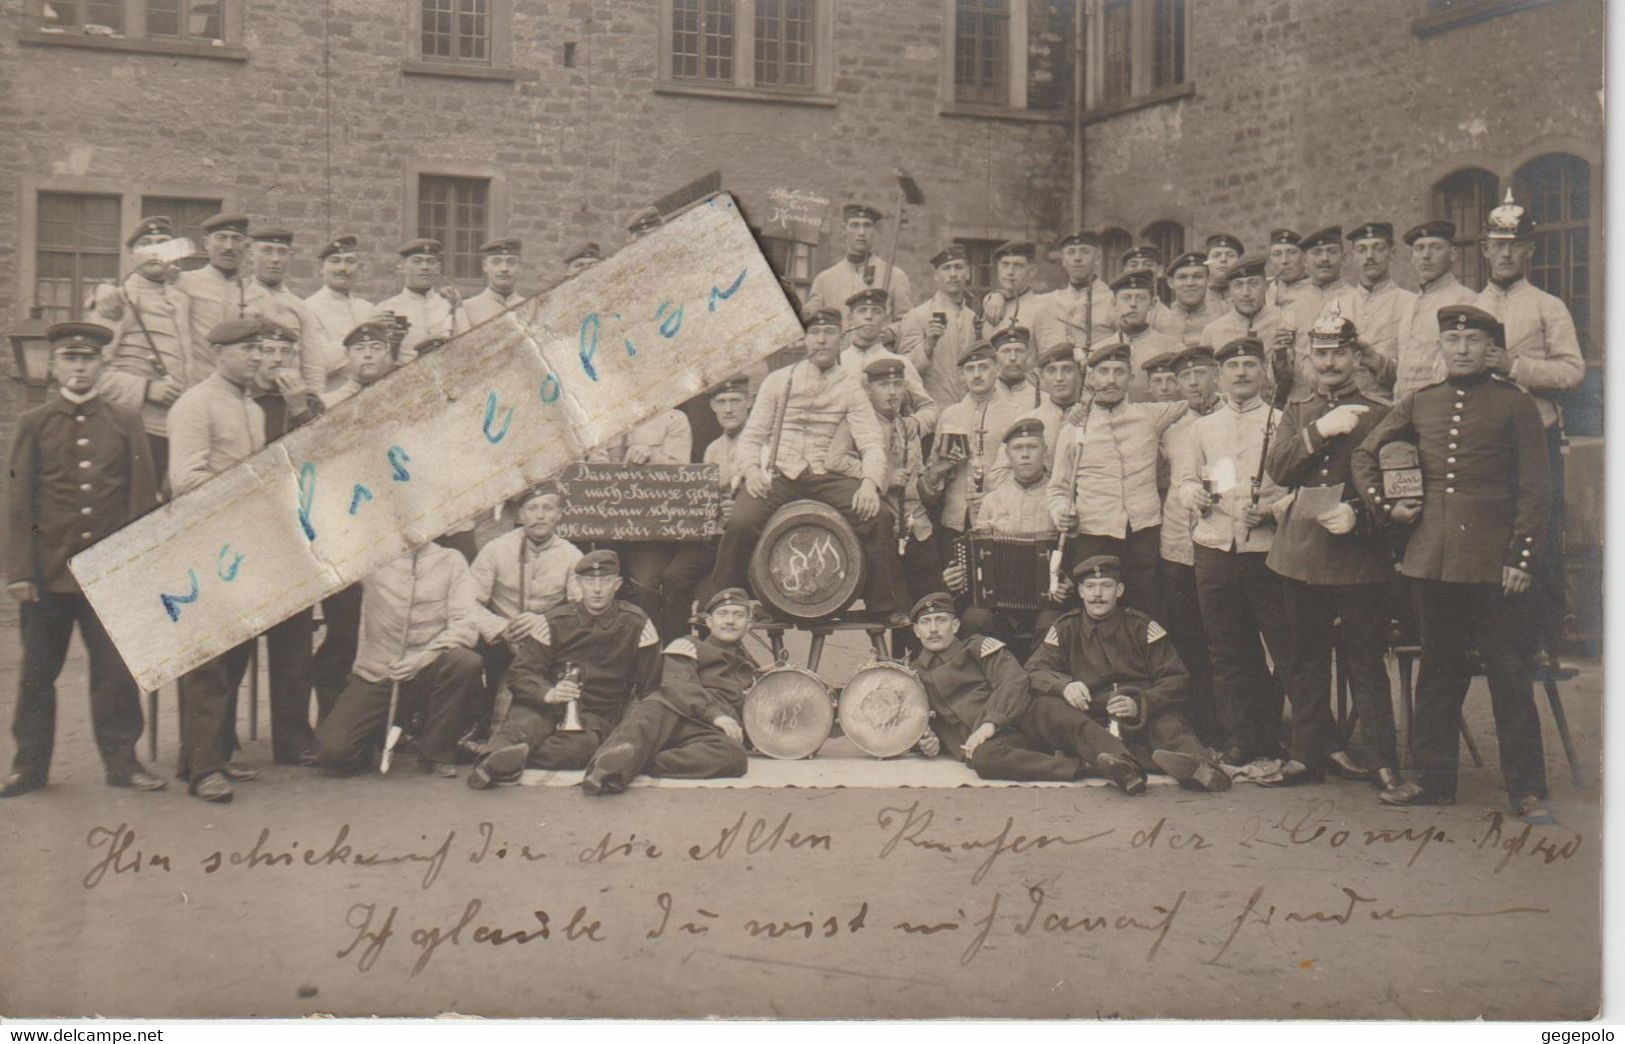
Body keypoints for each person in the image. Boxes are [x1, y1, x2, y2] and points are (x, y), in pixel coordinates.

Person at [1353, 305, 1553, 823]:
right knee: (1438, 675)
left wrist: (1521, 557)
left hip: (1495, 566)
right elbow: (1365, 455)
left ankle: (1527, 791)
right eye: (1453, 339)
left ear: (1490, 348)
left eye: (1473, 340)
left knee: (1509, 674)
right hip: (1432, 561)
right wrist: (1386, 506)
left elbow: (1536, 489)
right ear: (1440, 346)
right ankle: (1433, 781)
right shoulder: (1421, 402)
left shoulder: (1516, 405)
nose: (1461, 348)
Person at [3, 322, 163, 798]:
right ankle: (28, 766)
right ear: (54, 368)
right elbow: (19, 501)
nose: (78, 369)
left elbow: (140, 499)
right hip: (48, 574)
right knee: (37, 674)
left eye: (87, 360)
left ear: (102, 366)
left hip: (109, 574)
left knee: (115, 674)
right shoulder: (34, 423)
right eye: (69, 360)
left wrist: (136, 568)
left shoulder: (125, 420)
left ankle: (123, 763)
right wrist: (22, 572)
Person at [1264, 307, 1404, 792]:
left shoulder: (1382, 415)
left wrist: (1361, 517)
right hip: (1300, 555)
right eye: (1320, 354)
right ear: (1308, 358)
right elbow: (1279, 470)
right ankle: (1307, 756)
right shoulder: (1298, 413)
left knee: (1365, 661)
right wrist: (1321, 431)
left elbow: (1402, 493)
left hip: (1359, 558)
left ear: (1354, 357)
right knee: (1305, 661)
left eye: (1338, 353)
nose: (1329, 363)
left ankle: (1384, 759)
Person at [705, 310, 906, 622]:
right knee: (742, 522)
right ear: (804, 339)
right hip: (780, 474)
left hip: (827, 475)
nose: (822, 340)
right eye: (815, 333)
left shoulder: (851, 387)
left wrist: (869, 484)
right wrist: (752, 471)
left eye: (829, 333)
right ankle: (722, 602)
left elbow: (871, 443)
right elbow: (752, 437)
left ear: (842, 338)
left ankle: (883, 607)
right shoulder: (778, 381)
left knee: (878, 516)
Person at [1473, 190, 1586, 670]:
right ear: (1484, 250)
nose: (1504, 253)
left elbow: (1572, 372)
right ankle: (1489, 635)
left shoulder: (1547, 306)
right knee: (1486, 530)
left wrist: (1514, 365)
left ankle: (1541, 640)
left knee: (1536, 531)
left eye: (1513, 245)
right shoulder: (1471, 305)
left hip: (1534, 434)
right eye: (1496, 245)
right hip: (1484, 437)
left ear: (1529, 251)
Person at [167, 317, 275, 801]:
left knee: (236, 655)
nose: (258, 357)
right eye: (248, 349)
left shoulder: (249, 406)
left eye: (261, 349)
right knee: (208, 660)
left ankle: (205, 756)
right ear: (218, 352)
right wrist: (251, 486)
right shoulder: (196, 403)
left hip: (243, 544)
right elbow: (185, 481)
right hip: (205, 545)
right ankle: (204, 770)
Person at [1176, 335, 1293, 767]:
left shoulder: (1281, 423)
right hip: (1215, 547)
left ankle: (1276, 730)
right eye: (1233, 366)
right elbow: (1187, 481)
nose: (1241, 373)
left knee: (1280, 643)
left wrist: (1273, 511)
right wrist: (1195, 499)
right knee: (1228, 647)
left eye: (1249, 364)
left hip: (1266, 549)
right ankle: (1240, 736)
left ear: (1263, 372)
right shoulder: (1204, 428)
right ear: (1220, 377)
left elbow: (1296, 489)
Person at [1023, 557, 1231, 791]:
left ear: (1119, 590)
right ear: (1080, 591)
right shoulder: (1065, 629)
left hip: (1142, 711)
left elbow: (1176, 678)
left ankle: (1202, 769)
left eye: (1106, 586)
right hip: (1094, 714)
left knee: (1168, 725)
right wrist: (1064, 686)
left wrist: (1141, 703)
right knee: (1053, 710)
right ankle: (1125, 765)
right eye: (1090, 587)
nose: (1097, 595)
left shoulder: (1141, 626)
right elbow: (1034, 670)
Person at [908, 592, 1145, 791]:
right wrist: (926, 741)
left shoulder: (978, 646)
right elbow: (914, 719)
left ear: (956, 625)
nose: (934, 629)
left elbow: (1014, 680)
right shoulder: (913, 675)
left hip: (1021, 715)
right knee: (984, 761)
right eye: (926, 623)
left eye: (941, 620)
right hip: (996, 741)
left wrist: (991, 722)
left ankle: (1128, 766)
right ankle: (1086, 767)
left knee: (1057, 713)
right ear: (916, 631)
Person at [469, 550, 662, 786]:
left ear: (618, 584)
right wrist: (548, 693)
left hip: (595, 712)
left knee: (576, 750)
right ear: (579, 583)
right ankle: (491, 764)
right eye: (590, 581)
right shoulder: (553, 621)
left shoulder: (637, 623)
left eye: (605, 581)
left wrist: (628, 728)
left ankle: (507, 758)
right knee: (522, 727)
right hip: (543, 705)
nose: (598, 589)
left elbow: (651, 685)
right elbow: (521, 673)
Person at [312, 540, 484, 778]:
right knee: (332, 752)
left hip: (428, 669)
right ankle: (376, 735)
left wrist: (423, 658)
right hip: (379, 673)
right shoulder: (371, 557)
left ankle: (436, 752)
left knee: (465, 661)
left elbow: (465, 624)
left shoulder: (451, 559)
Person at [1046, 341, 1186, 619]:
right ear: (1091, 378)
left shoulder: (1150, 416)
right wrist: (1060, 512)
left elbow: (1197, 402)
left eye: (1119, 372)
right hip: (1092, 533)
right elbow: (1057, 489)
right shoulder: (1074, 428)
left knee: (1147, 607)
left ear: (1131, 378)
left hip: (1142, 531)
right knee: (1095, 610)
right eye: (1104, 371)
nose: (1111, 380)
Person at [580, 588, 760, 793]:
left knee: (734, 756)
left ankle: (645, 761)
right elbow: (679, 685)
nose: (730, 621)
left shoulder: (750, 667)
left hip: (704, 730)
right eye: (722, 614)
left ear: (749, 623)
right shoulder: (687, 644)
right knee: (646, 718)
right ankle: (603, 774)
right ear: (708, 622)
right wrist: (716, 715)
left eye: (738, 615)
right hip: (672, 711)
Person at [311, 319, 402, 719]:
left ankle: (391, 719)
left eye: (377, 348)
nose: (368, 355)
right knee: (344, 628)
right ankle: (334, 715)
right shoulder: (328, 406)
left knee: (393, 624)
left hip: (393, 531)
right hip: (345, 532)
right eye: (360, 349)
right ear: (346, 358)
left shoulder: (404, 399)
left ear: (389, 355)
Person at [248, 323, 325, 764]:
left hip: (293, 532)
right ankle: (214, 742)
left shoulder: (308, 403)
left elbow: (323, 454)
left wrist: (298, 408)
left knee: (294, 645)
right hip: (250, 532)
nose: (277, 360)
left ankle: (293, 739)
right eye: (268, 351)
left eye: (285, 352)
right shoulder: (242, 401)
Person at [466, 483, 583, 745]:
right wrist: (500, 628)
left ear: (559, 514)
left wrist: (545, 622)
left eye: (547, 508)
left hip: (545, 638)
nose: (540, 515)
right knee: (470, 653)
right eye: (532, 509)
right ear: (520, 515)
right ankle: (478, 725)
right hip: (498, 638)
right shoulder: (495, 549)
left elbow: (581, 606)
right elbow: (466, 602)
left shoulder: (571, 555)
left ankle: (540, 726)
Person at [944, 417, 1068, 658]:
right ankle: (997, 681)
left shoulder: (1059, 497)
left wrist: (1069, 584)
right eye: (1017, 449)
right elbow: (975, 556)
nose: (1024, 455)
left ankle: (1039, 680)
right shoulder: (993, 500)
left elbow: (1072, 552)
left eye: (1031, 447)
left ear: (1045, 451)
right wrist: (958, 575)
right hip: (999, 604)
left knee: (1053, 622)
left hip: (1047, 601)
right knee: (974, 618)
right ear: (1007, 455)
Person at [587, 407, 710, 642]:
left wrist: (652, 457)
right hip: (608, 526)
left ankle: (658, 653)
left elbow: (681, 475)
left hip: (651, 533)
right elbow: (595, 469)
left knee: (643, 587)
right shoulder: (603, 419)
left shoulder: (674, 419)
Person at [828, 357, 936, 619]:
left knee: (932, 603)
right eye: (883, 385)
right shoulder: (858, 422)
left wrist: (935, 476)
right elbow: (835, 460)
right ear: (868, 389)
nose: (892, 392)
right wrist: (883, 480)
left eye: (897, 384)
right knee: (898, 614)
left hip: (917, 527)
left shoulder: (905, 423)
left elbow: (917, 475)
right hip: (884, 531)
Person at [91, 215, 193, 480]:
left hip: (177, 427)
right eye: (147, 244)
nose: (156, 251)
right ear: (133, 255)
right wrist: (147, 388)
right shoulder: (117, 301)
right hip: (134, 427)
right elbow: (94, 374)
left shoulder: (180, 299)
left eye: (163, 243)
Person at [1157, 345, 1223, 746]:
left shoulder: (1229, 418)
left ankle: (1232, 723)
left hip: (1219, 536)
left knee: (1224, 635)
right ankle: (1196, 722)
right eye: (1186, 377)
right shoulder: (1169, 424)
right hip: (1177, 540)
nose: (1194, 383)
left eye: (1201, 374)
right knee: (1186, 635)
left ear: (1216, 375)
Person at [930, 342, 1025, 550]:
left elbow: (1024, 471)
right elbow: (932, 474)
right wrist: (939, 469)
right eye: (970, 369)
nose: (976, 375)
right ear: (962, 376)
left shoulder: (1015, 414)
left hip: (999, 518)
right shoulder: (949, 415)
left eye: (983, 367)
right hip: (955, 519)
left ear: (997, 370)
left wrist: (995, 495)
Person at [839, 287, 937, 432]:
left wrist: (915, 422)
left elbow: (929, 408)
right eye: (862, 310)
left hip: (888, 445)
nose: (868, 316)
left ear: (885, 319)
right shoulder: (838, 362)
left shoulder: (900, 363)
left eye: (876, 311)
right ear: (850, 318)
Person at [242, 227, 325, 394]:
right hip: (245, 396)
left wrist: (314, 399)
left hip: (288, 398)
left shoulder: (300, 307)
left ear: (290, 257)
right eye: (267, 251)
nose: (275, 259)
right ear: (252, 255)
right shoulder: (238, 298)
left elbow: (312, 362)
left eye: (282, 252)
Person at [174, 212, 253, 383]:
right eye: (221, 238)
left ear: (247, 246)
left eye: (236, 239)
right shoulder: (184, 282)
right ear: (206, 244)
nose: (228, 247)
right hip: (197, 384)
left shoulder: (255, 291)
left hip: (241, 387)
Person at [898, 244, 979, 408]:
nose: (953, 274)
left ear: (968, 273)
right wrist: (928, 346)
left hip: (969, 409)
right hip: (933, 411)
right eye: (946, 268)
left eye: (959, 267)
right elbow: (904, 370)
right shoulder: (918, 316)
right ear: (936, 275)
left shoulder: (974, 318)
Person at [987, 341, 1082, 481]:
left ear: (1079, 375)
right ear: (1042, 378)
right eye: (1051, 371)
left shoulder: (1093, 417)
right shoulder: (1028, 421)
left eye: (1067, 369)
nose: (1059, 378)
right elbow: (997, 477)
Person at [1336, 221, 1410, 395]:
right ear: (1354, 255)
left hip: (1389, 405)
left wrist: (1377, 361)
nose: (1370, 256)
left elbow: (1415, 372)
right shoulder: (1336, 306)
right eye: (1362, 249)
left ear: (1391, 253)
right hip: (1342, 402)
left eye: (1378, 248)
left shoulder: (1410, 303)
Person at [805, 202, 914, 319]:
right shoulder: (824, 280)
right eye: (855, 225)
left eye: (867, 226)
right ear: (843, 230)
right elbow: (809, 320)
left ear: (874, 230)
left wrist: (889, 332)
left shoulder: (895, 276)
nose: (861, 233)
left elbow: (906, 321)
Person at [302, 235, 379, 395]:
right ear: (321, 269)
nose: (342, 268)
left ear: (359, 268)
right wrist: (362, 338)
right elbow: (316, 361)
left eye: (350, 261)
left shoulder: (368, 309)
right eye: (335, 261)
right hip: (333, 397)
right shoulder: (308, 308)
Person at [376, 238, 469, 361]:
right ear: (402, 268)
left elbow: (467, 343)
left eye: (430, 262)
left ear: (438, 269)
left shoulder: (450, 304)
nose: (425, 267)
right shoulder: (386, 308)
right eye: (417, 261)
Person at [1029, 231, 1115, 351]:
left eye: (1085, 251)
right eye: (1071, 252)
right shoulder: (1049, 301)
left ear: (1097, 258)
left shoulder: (1112, 299)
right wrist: (999, 295)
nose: (1077, 258)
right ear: (1063, 260)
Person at [1199, 256, 1285, 370]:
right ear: (1229, 291)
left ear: (1265, 286)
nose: (1246, 293)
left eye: (1253, 284)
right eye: (1238, 285)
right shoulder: (1212, 331)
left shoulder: (1283, 322)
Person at [1152, 252, 1226, 346]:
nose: (1190, 283)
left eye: (1197, 276)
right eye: (1182, 277)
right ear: (1171, 283)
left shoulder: (1221, 317)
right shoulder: (1157, 319)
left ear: (1208, 281)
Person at [980, 240, 1039, 338]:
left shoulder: (1040, 308)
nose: (1010, 272)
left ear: (1032, 271)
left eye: (1018, 265)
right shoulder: (991, 303)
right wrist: (997, 294)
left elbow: (1049, 352)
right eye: (1005, 264)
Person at [462, 238, 525, 327]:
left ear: (519, 266)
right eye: (496, 262)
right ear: (485, 266)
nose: (504, 268)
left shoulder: (530, 307)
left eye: (511, 262)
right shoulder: (467, 308)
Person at [1265, 228, 1314, 314]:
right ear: (1270, 260)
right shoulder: (1263, 289)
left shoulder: (1317, 291)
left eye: (1292, 253)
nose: (1284, 260)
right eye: (1277, 254)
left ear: (1304, 258)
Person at [990, 325, 1039, 405]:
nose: (1013, 358)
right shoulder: (984, 397)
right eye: (1006, 351)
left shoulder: (1041, 397)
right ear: (995, 358)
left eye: (1019, 351)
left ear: (1028, 356)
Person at [1203, 232, 1245, 309]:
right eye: (1216, 255)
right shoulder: (1198, 293)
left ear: (1239, 262)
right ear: (1207, 262)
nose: (1223, 259)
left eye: (1230, 255)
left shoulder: (1247, 292)